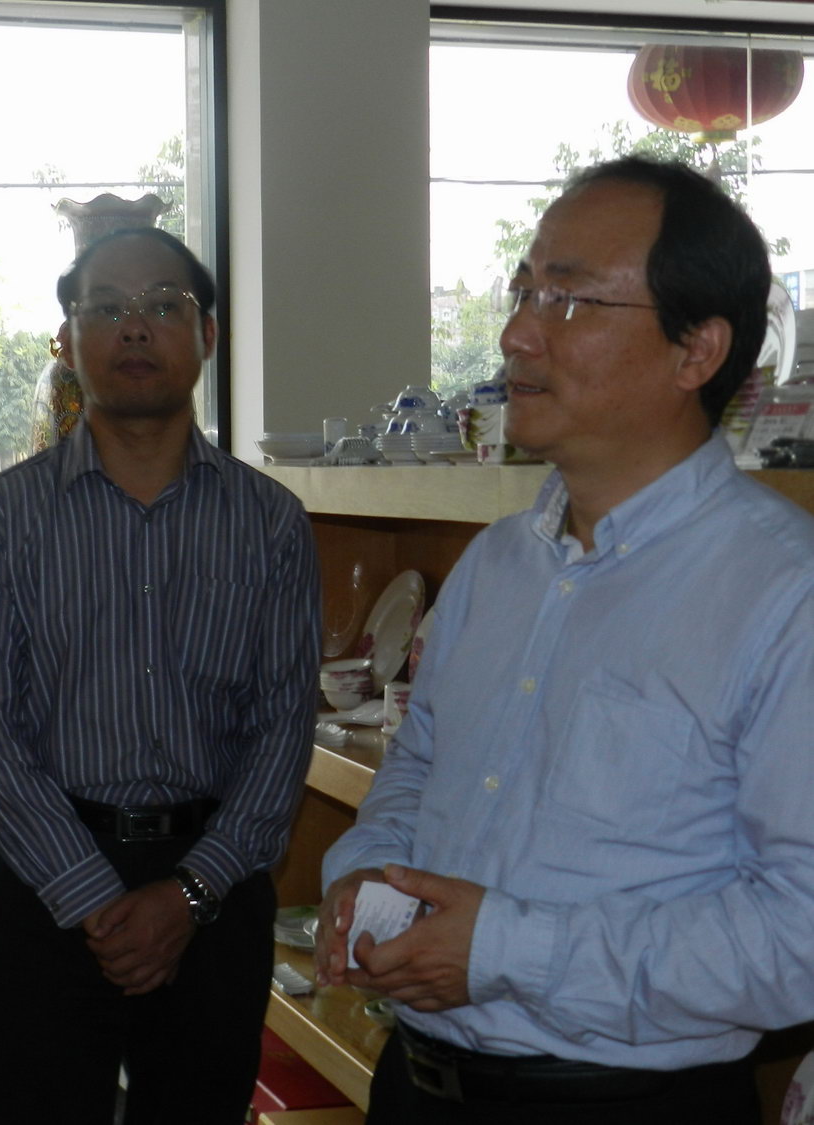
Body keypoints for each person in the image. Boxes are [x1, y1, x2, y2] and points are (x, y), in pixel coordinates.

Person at [316, 156, 814, 1124]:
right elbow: (417, 769)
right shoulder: (497, 564)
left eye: (570, 299)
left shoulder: (781, 591)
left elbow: (798, 933)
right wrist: (364, 873)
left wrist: (508, 950)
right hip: (416, 1085)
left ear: (696, 350)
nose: (517, 333)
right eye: (523, 290)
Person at [0, 227, 321, 1124]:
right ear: (68, 340)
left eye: (163, 305)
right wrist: (94, 897)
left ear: (208, 334)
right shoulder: (1, 519)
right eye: (106, 307)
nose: (136, 327)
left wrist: (189, 893)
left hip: (215, 891)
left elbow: (282, 725)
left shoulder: (271, 522)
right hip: (46, 884)